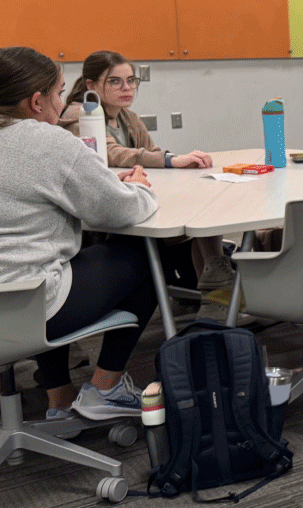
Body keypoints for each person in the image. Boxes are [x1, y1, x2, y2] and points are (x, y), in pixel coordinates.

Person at [0, 46, 160, 421]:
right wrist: (140, 188)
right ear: (36, 102)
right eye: (58, 93)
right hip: (30, 306)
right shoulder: (46, 140)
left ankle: (59, 401)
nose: (64, 102)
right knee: (144, 259)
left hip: (13, 297)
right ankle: (106, 389)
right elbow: (119, 209)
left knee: (48, 268)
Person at [59, 51, 233, 290]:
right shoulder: (79, 115)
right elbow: (115, 153)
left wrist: (167, 160)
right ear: (91, 85)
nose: (127, 88)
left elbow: (151, 152)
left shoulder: (127, 116)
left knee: (200, 207)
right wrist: (171, 160)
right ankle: (214, 281)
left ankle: (214, 280)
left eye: (131, 80)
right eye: (115, 81)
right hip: (105, 217)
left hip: (136, 200)